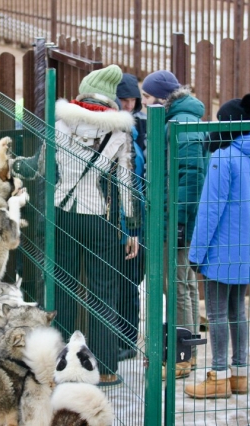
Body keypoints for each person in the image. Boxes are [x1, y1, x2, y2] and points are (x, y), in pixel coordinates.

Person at [14, 64, 138, 389]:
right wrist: (133, 229)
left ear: (83, 91)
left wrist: (12, 164)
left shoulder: (60, 123)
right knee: (103, 293)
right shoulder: (119, 133)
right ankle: (107, 368)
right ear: (110, 99)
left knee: (61, 288)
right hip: (100, 220)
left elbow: (38, 167)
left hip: (62, 215)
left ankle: (60, 365)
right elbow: (126, 184)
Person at [184, 93, 250, 399]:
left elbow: (210, 211)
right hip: (246, 248)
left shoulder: (223, 157)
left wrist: (196, 254)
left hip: (221, 250)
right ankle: (239, 375)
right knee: (238, 311)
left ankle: (218, 377)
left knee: (217, 313)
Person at [141, 70, 207, 379]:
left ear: (162, 98)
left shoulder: (183, 124)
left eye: (146, 96)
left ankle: (181, 356)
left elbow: (192, 176)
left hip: (176, 219)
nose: (143, 103)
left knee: (177, 286)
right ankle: (187, 349)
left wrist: (180, 222)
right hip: (171, 215)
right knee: (184, 284)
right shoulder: (173, 121)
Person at [115, 73, 146, 361]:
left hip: (131, 222)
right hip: (127, 221)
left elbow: (132, 190)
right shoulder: (129, 136)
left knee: (128, 281)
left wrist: (131, 230)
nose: (127, 106)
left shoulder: (132, 142)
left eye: (131, 100)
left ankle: (127, 339)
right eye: (122, 100)